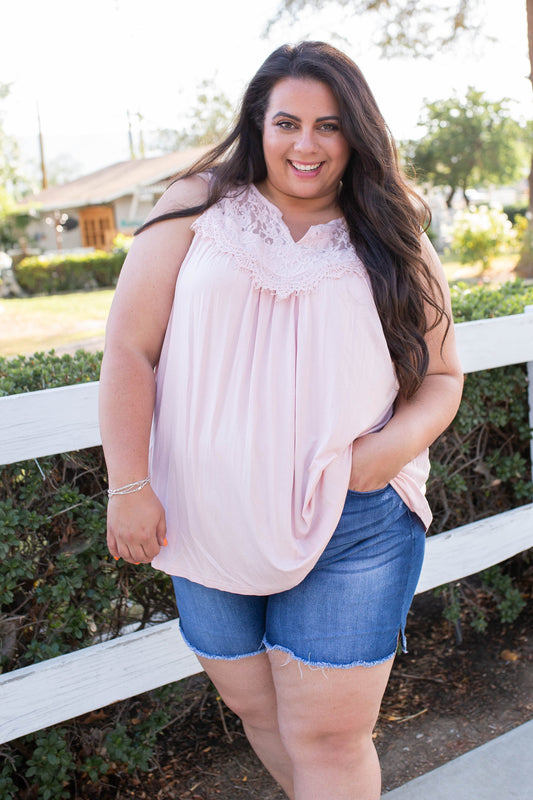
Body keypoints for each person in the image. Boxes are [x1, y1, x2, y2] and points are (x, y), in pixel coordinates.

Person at [99, 41, 463, 800]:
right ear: (256, 125)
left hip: (354, 520)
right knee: (254, 707)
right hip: (200, 517)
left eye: (328, 126)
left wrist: (385, 451)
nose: (306, 144)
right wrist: (127, 485)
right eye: (287, 123)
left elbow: (440, 376)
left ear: (355, 133)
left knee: (327, 736)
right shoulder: (195, 206)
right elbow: (130, 350)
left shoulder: (394, 234)